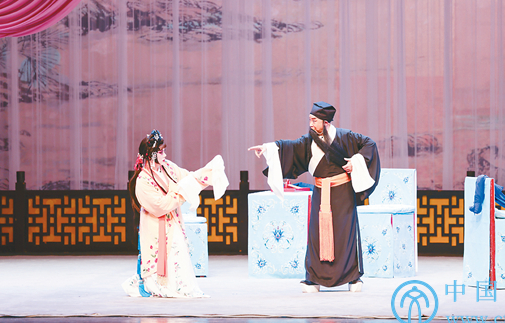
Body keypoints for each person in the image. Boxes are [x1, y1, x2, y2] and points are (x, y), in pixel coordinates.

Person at [249, 102, 380, 292]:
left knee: (345, 233)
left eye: (314, 120)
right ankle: (314, 278)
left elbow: (369, 145)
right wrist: (268, 148)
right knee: (317, 234)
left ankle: (352, 277)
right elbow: (289, 147)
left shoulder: (346, 137)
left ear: (326, 122)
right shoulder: (308, 141)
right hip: (320, 192)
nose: (311, 124)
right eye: (310, 120)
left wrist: (356, 161)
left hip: (343, 193)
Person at [122, 129, 228, 298]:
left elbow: (187, 178)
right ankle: (161, 285)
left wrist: (210, 172)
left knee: (179, 253)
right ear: (152, 154)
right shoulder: (143, 180)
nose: (164, 155)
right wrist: (181, 193)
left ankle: (181, 286)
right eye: (161, 152)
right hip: (156, 225)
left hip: (173, 221)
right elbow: (159, 206)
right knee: (166, 254)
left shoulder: (168, 167)